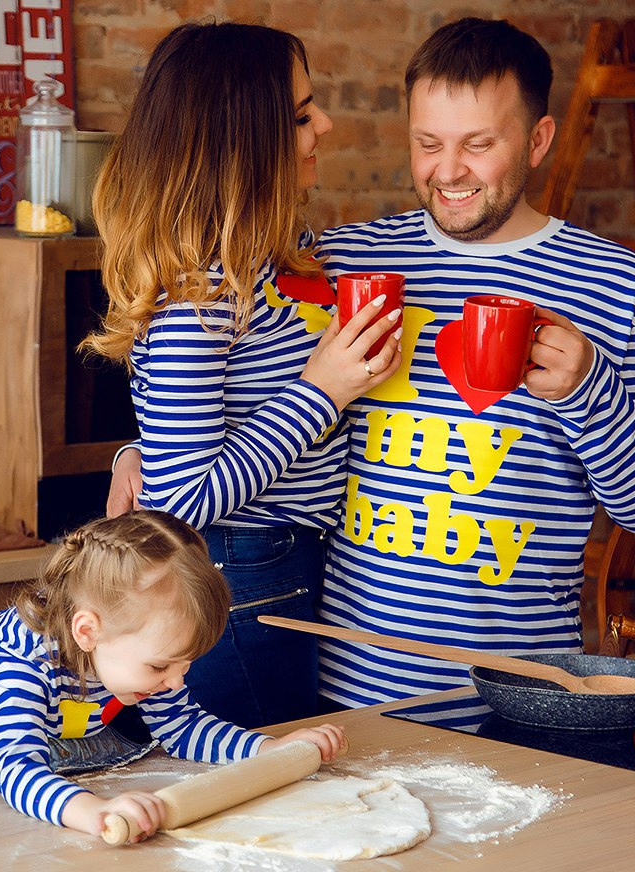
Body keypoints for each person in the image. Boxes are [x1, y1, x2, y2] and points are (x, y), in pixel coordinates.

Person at [112, 17, 635, 712]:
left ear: (538, 141)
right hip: (342, 689)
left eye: (479, 144)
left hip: (518, 691)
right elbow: (222, 374)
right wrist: (140, 452)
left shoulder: (616, 285)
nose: (448, 171)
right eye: (428, 143)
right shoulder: (338, 262)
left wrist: (588, 390)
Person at [80, 21, 402, 729]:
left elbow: (181, 441)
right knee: (258, 768)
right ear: (246, 144)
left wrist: (137, 451)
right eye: (301, 115)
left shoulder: (267, 261)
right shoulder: (200, 297)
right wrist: (322, 392)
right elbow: (182, 499)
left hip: (279, 563)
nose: (325, 124)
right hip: (243, 573)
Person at [0, 511, 347, 843]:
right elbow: (16, 768)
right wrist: (95, 813)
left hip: (57, 738)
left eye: (185, 665)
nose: (175, 683)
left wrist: (269, 750)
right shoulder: (20, 665)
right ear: (87, 632)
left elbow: (183, 728)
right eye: (161, 667)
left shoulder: (131, 649)